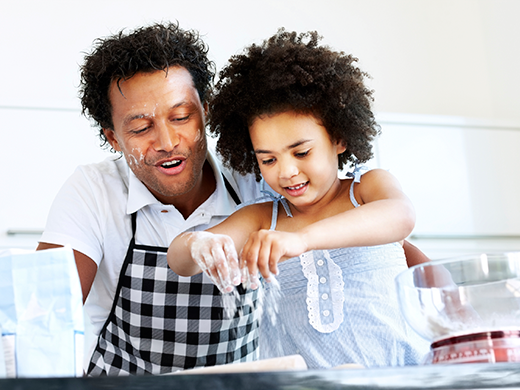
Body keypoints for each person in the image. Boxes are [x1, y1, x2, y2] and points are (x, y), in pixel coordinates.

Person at [36, 22, 428, 376]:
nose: (168, 142)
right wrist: (200, 240)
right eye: (140, 127)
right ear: (113, 138)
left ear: (206, 112)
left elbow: (386, 234)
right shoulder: (93, 191)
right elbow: (40, 317)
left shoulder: (259, 175)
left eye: (181, 117)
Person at [168, 29, 430, 369]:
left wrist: (301, 239)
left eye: (301, 151)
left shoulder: (367, 189)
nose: (287, 171)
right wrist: (198, 245)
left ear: (338, 138)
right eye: (268, 160)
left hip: (400, 377)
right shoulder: (263, 219)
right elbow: (180, 261)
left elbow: (401, 216)